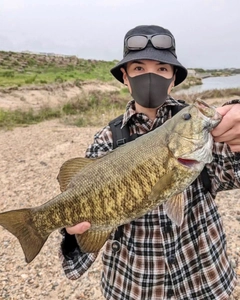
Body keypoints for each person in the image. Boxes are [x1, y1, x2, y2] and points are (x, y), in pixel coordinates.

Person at [59, 25, 240, 299]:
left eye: (162, 69)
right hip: (133, 288)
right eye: (139, 69)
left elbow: (234, 169)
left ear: (174, 78)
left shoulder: (202, 132)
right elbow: (84, 228)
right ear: (125, 78)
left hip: (205, 283)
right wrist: (70, 232)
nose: (151, 76)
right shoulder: (107, 140)